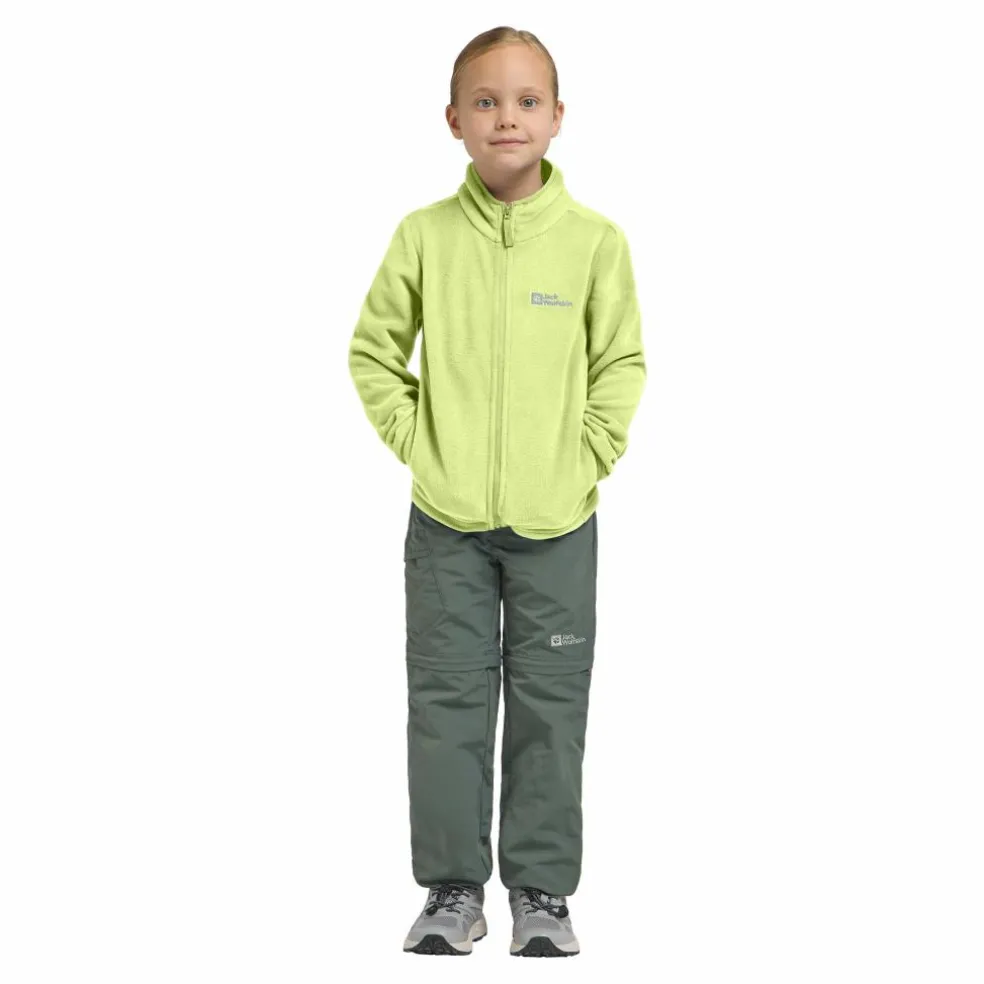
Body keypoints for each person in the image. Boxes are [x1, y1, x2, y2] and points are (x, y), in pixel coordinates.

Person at [348, 25, 646, 957]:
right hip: (446, 528)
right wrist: (422, 444)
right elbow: (373, 353)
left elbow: (620, 363)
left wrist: (586, 455)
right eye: (485, 101)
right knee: (446, 705)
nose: (506, 118)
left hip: (559, 525)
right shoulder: (424, 237)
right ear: (453, 120)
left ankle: (542, 894)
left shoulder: (595, 244)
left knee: (550, 709)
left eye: (526, 101)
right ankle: (451, 889)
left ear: (557, 118)